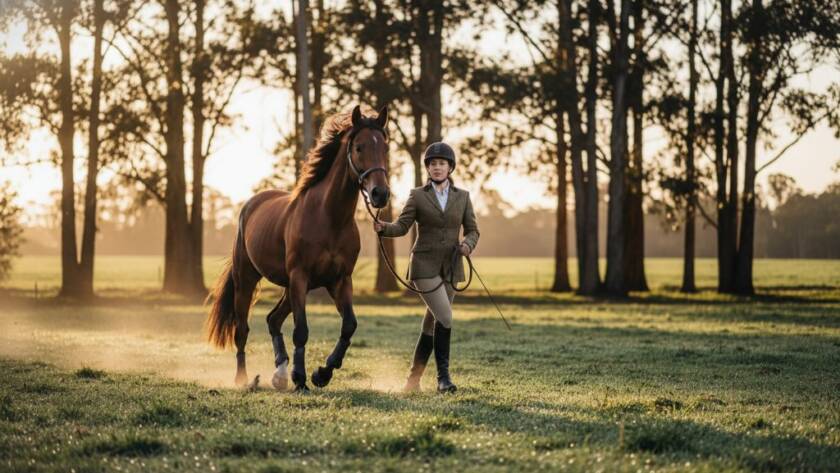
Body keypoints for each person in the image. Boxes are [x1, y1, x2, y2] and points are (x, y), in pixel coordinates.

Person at [374, 142, 479, 393]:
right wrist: (384, 228)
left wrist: (467, 244)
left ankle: (412, 381)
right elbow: (402, 226)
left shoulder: (463, 197)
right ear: (428, 168)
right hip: (424, 266)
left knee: (432, 324)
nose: (437, 167)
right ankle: (443, 379)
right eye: (433, 164)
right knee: (445, 317)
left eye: (442, 163)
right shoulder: (418, 195)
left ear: (450, 167)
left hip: (451, 267)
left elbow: (473, 230)